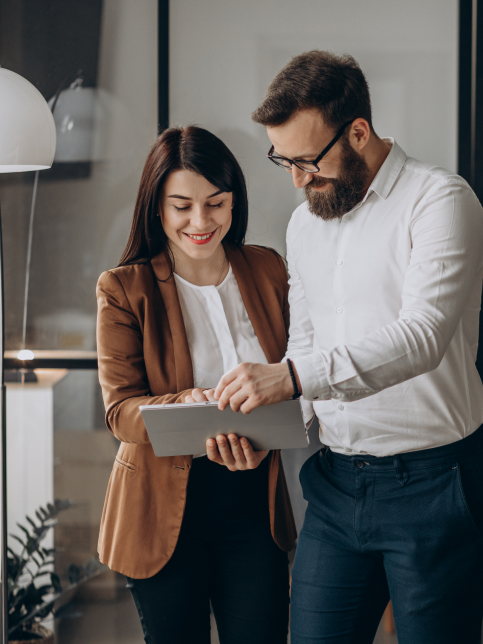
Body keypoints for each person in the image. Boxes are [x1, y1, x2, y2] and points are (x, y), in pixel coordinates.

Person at [208, 50, 483, 643]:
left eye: (307, 161)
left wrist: (290, 378)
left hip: (436, 484)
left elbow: (421, 337)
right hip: (338, 486)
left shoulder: (440, 202)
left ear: (359, 132)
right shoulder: (306, 223)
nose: (296, 179)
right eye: (282, 161)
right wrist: (268, 426)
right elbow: (308, 338)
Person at [95, 125, 296, 644]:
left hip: (254, 504)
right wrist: (186, 403)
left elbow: (300, 373)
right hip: (161, 512)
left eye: (216, 203)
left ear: (234, 202)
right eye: (181, 206)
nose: (201, 221)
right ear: (156, 207)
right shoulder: (124, 288)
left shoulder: (268, 269)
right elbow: (120, 413)